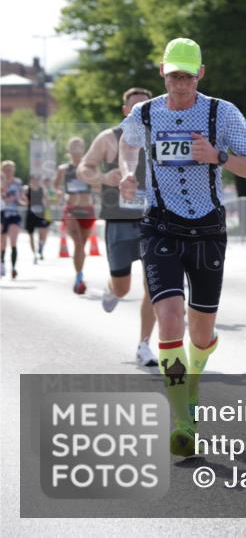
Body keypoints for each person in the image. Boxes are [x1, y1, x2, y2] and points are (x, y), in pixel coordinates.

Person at [119, 37, 246, 457]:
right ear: (162, 75)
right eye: (172, 76)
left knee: (201, 335)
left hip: (207, 231)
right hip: (160, 226)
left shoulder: (223, 112)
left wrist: (217, 156)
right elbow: (128, 144)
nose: (179, 85)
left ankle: (194, 379)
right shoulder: (145, 113)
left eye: (186, 76)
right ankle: (181, 415)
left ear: (200, 74)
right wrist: (128, 172)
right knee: (169, 316)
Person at [78, 87, 158, 367]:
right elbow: (83, 169)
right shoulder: (109, 138)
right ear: (125, 110)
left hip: (154, 220)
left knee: (154, 286)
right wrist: (103, 178)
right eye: (134, 107)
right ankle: (112, 289)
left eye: (144, 107)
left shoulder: (161, 135)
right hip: (119, 220)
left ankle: (144, 345)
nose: (139, 111)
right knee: (124, 289)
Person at [55, 137, 97, 294]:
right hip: (71, 209)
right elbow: (56, 187)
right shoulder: (63, 169)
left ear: (84, 149)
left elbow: (98, 184)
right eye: (73, 145)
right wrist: (58, 194)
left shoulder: (89, 167)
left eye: (79, 145)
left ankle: (79, 274)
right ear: (68, 150)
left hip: (87, 209)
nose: (76, 148)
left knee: (82, 246)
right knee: (78, 243)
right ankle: (79, 278)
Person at [1, 160, 25, 279]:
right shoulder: (0, 181)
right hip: (2, 213)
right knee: (2, 244)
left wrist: (23, 202)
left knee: (13, 242)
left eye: (11, 169)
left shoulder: (18, 182)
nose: (9, 172)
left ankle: (13, 268)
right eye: (6, 169)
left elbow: (21, 197)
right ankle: (2, 264)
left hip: (14, 214)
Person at [23, 174, 51, 263]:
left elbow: (47, 200)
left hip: (41, 213)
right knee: (30, 234)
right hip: (31, 214)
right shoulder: (27, 189)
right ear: (30, 180)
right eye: (34, 179)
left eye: (37, 179)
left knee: (43, 231)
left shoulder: (42, 189)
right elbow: (23, 199)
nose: (35, 181)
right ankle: (34, 254)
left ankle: (41, 247)